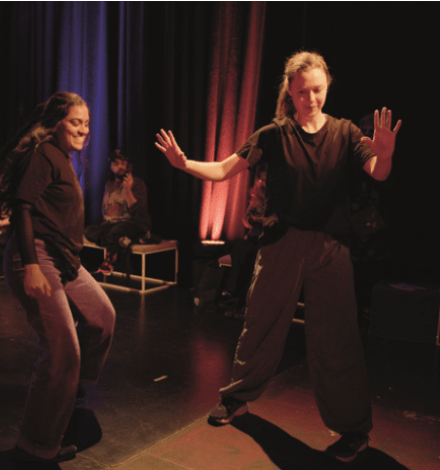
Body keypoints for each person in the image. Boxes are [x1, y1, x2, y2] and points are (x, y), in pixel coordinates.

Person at [155, 50, 401, 464]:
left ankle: (353, 429)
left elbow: (378, 171)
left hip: (329, 248)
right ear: (291, 90)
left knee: (337, 338)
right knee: (261, 323)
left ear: (327, 88)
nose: (311, 98)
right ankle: (238, 398)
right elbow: (223, 170)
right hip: (281, 243)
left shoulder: (343, 133)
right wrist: (183, 164)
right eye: (303, 91)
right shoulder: (273, 134)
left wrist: (387, 152)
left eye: (318, 90)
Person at [0, 91, 116, 463]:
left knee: (102, 317)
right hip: (38, 256)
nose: (83, 129)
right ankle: (35, 448)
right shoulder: (44, 154)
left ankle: (68, 388)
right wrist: (29, 266)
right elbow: (24, 209)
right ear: (56, 123)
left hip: (64, 259)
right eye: (75, 122)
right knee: (62, 352)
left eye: (86, 124)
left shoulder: (64, 158)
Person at [84, 149, 152, 275]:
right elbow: (106, 210)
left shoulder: (137, 183)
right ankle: (126, 240)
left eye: (123, 163)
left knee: (116, 231)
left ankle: (109, 260)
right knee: (89, 231)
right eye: (116, 163)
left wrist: (128, 189)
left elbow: (139, 213)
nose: (120, 166)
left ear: (128, 165)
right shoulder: (109, 185)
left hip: (134, 223)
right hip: (113, 225)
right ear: (111, 166)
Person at [218, 164, 266, 318]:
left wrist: (261, 220)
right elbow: (246, 220)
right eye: (260, 180)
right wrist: (252, 219)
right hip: (254, 236)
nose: (262, 183)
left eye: (265, 180)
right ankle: (233, 293)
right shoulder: (256, 195)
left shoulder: (279, 197)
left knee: (254, 255)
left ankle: (245, 302)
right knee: (239, 247)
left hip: (268, 239)